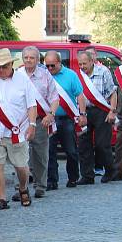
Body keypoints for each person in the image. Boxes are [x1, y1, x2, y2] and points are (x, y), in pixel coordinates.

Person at [0, 49, 37, 210]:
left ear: (11, 64)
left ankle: (23, 188)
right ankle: (2, 198)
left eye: (4, 66)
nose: (1, 70)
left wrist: (32, 124)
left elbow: (31, 105)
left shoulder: (23, 80)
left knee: (21, 166)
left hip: (18, 131)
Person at [18, 46, 59, 199]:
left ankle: (40, 186)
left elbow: (55, 98)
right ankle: (21, 187)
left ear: (37, 59)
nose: (28, 60)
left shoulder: (45, 75)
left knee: (40, 155)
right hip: (21, 122)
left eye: (32, 57)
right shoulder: (17, 75)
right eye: (26, 57)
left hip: (41, 121)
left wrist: (51, 114)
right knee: (20, 155)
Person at [45, 51, 87, 189]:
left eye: (52, 65)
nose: (50, 69)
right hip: (50, 118)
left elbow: (80, 95)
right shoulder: (44, 75)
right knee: (50, 151)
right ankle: (52, 180)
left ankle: (73, 178)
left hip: (67, 118)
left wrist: (82, 114)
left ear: (59, 62)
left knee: (71, 151)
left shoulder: (70, 75)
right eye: (47, 65)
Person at [76, 50, 118, 184]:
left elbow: (112, 93)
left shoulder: (103, 71)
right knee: (84, 144)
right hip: (84, 111)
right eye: (80, 64)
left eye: (84, 63)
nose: (82, 66)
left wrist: (112, 111)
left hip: (101, 111)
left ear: (92, 61)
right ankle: (87, 176)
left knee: (102, 144)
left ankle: (110, 171)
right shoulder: (78, 75)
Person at [109, 46, 122, 181]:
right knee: (120, 145)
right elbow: (113, 92)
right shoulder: (118, 73)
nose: (121, 59)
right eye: (121, 56)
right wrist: (113, 111)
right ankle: (118, 171)